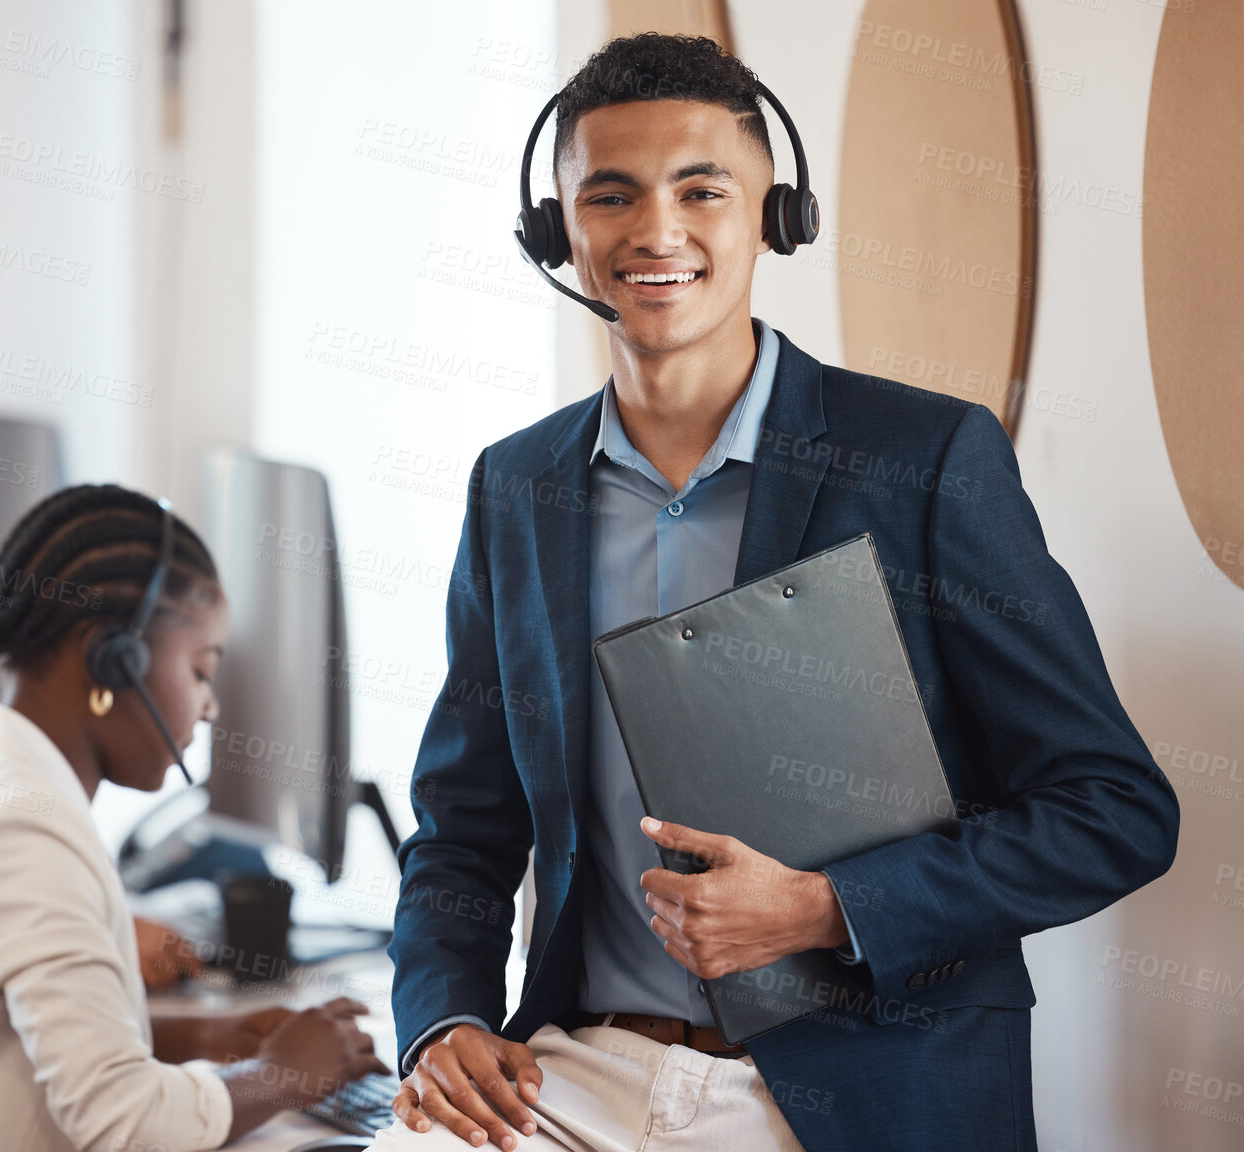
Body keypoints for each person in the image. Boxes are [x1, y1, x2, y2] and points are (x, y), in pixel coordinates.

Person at [381, 34, 1179, 1152]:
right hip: (581, 1073)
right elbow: (461, 828)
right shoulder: (514, 487)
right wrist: (440, 1019)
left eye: (700, 190)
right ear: (554, 230)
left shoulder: (925, 458)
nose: (655, 231)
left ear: (774, 214)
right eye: (609, 195)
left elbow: (1115, 811)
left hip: (858, 1090)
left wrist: (825, 908)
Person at [0, 484, 386, 1152]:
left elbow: (12, 1032)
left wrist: (200, 1038)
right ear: (111, 658)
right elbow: (127, 1125)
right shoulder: (20, 827)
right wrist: (282, 1075)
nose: (209, 708)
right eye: (201, 670)